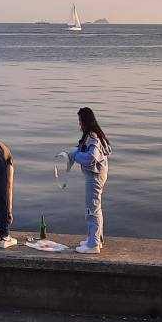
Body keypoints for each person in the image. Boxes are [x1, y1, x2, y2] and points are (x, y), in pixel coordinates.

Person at [68, 107, 112, 254]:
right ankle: (95, 239)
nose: (79, 125)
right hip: (97, 174)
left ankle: (93, 244)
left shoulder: (92, 137)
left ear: (85, 122)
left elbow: (91, 158)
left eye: (80, 121)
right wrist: (74, 153)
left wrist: (74, 157)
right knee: (95, 207)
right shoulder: (94, 135)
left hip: (95, 176)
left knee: (92, 208)